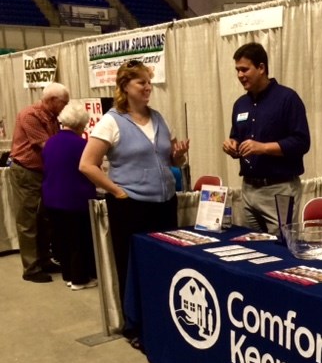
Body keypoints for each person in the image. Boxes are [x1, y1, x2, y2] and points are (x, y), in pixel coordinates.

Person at [79, 60, 189, 342]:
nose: (148, 87)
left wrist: (178, 156)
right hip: (131, 206)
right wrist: (117, 192)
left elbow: (171, 159)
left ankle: (163, 317)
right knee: (132, 266)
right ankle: (135, 326)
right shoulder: (111, 121)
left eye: (149, 82)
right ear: (125, 86)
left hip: (164, 202)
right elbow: (87, 165)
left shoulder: (160, 118)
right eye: (141, 82)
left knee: (163, 262)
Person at [222, 42, 310, 234]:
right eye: (237, 70)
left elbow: (302, 142)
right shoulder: (240, 104)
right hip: (248, 190)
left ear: (261, 68)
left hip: (279, 189)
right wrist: (232, 145)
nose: (239, 75)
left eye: (244, 69)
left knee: (281, 250)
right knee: (253, 250)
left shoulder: (288, 99)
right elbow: (236, 136)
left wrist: (263, 148)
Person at [8, 82, 69, 282]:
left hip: (42, 172)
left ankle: (44, 259)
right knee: (28, 221)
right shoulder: (30, 116)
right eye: (63, 103)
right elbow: (48, 146)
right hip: (27, 172)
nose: (65, 107)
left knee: (44, 219)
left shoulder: (53, 117)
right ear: (51, 100)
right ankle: (31, 268)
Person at [42, 101, 97, 290]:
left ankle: (68, 275)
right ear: (80, 124)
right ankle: (80, 279)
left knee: (62, 239)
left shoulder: (50, 142)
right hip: (74, 198)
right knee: (79, 241)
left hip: (51, 197)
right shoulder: (82, 144)